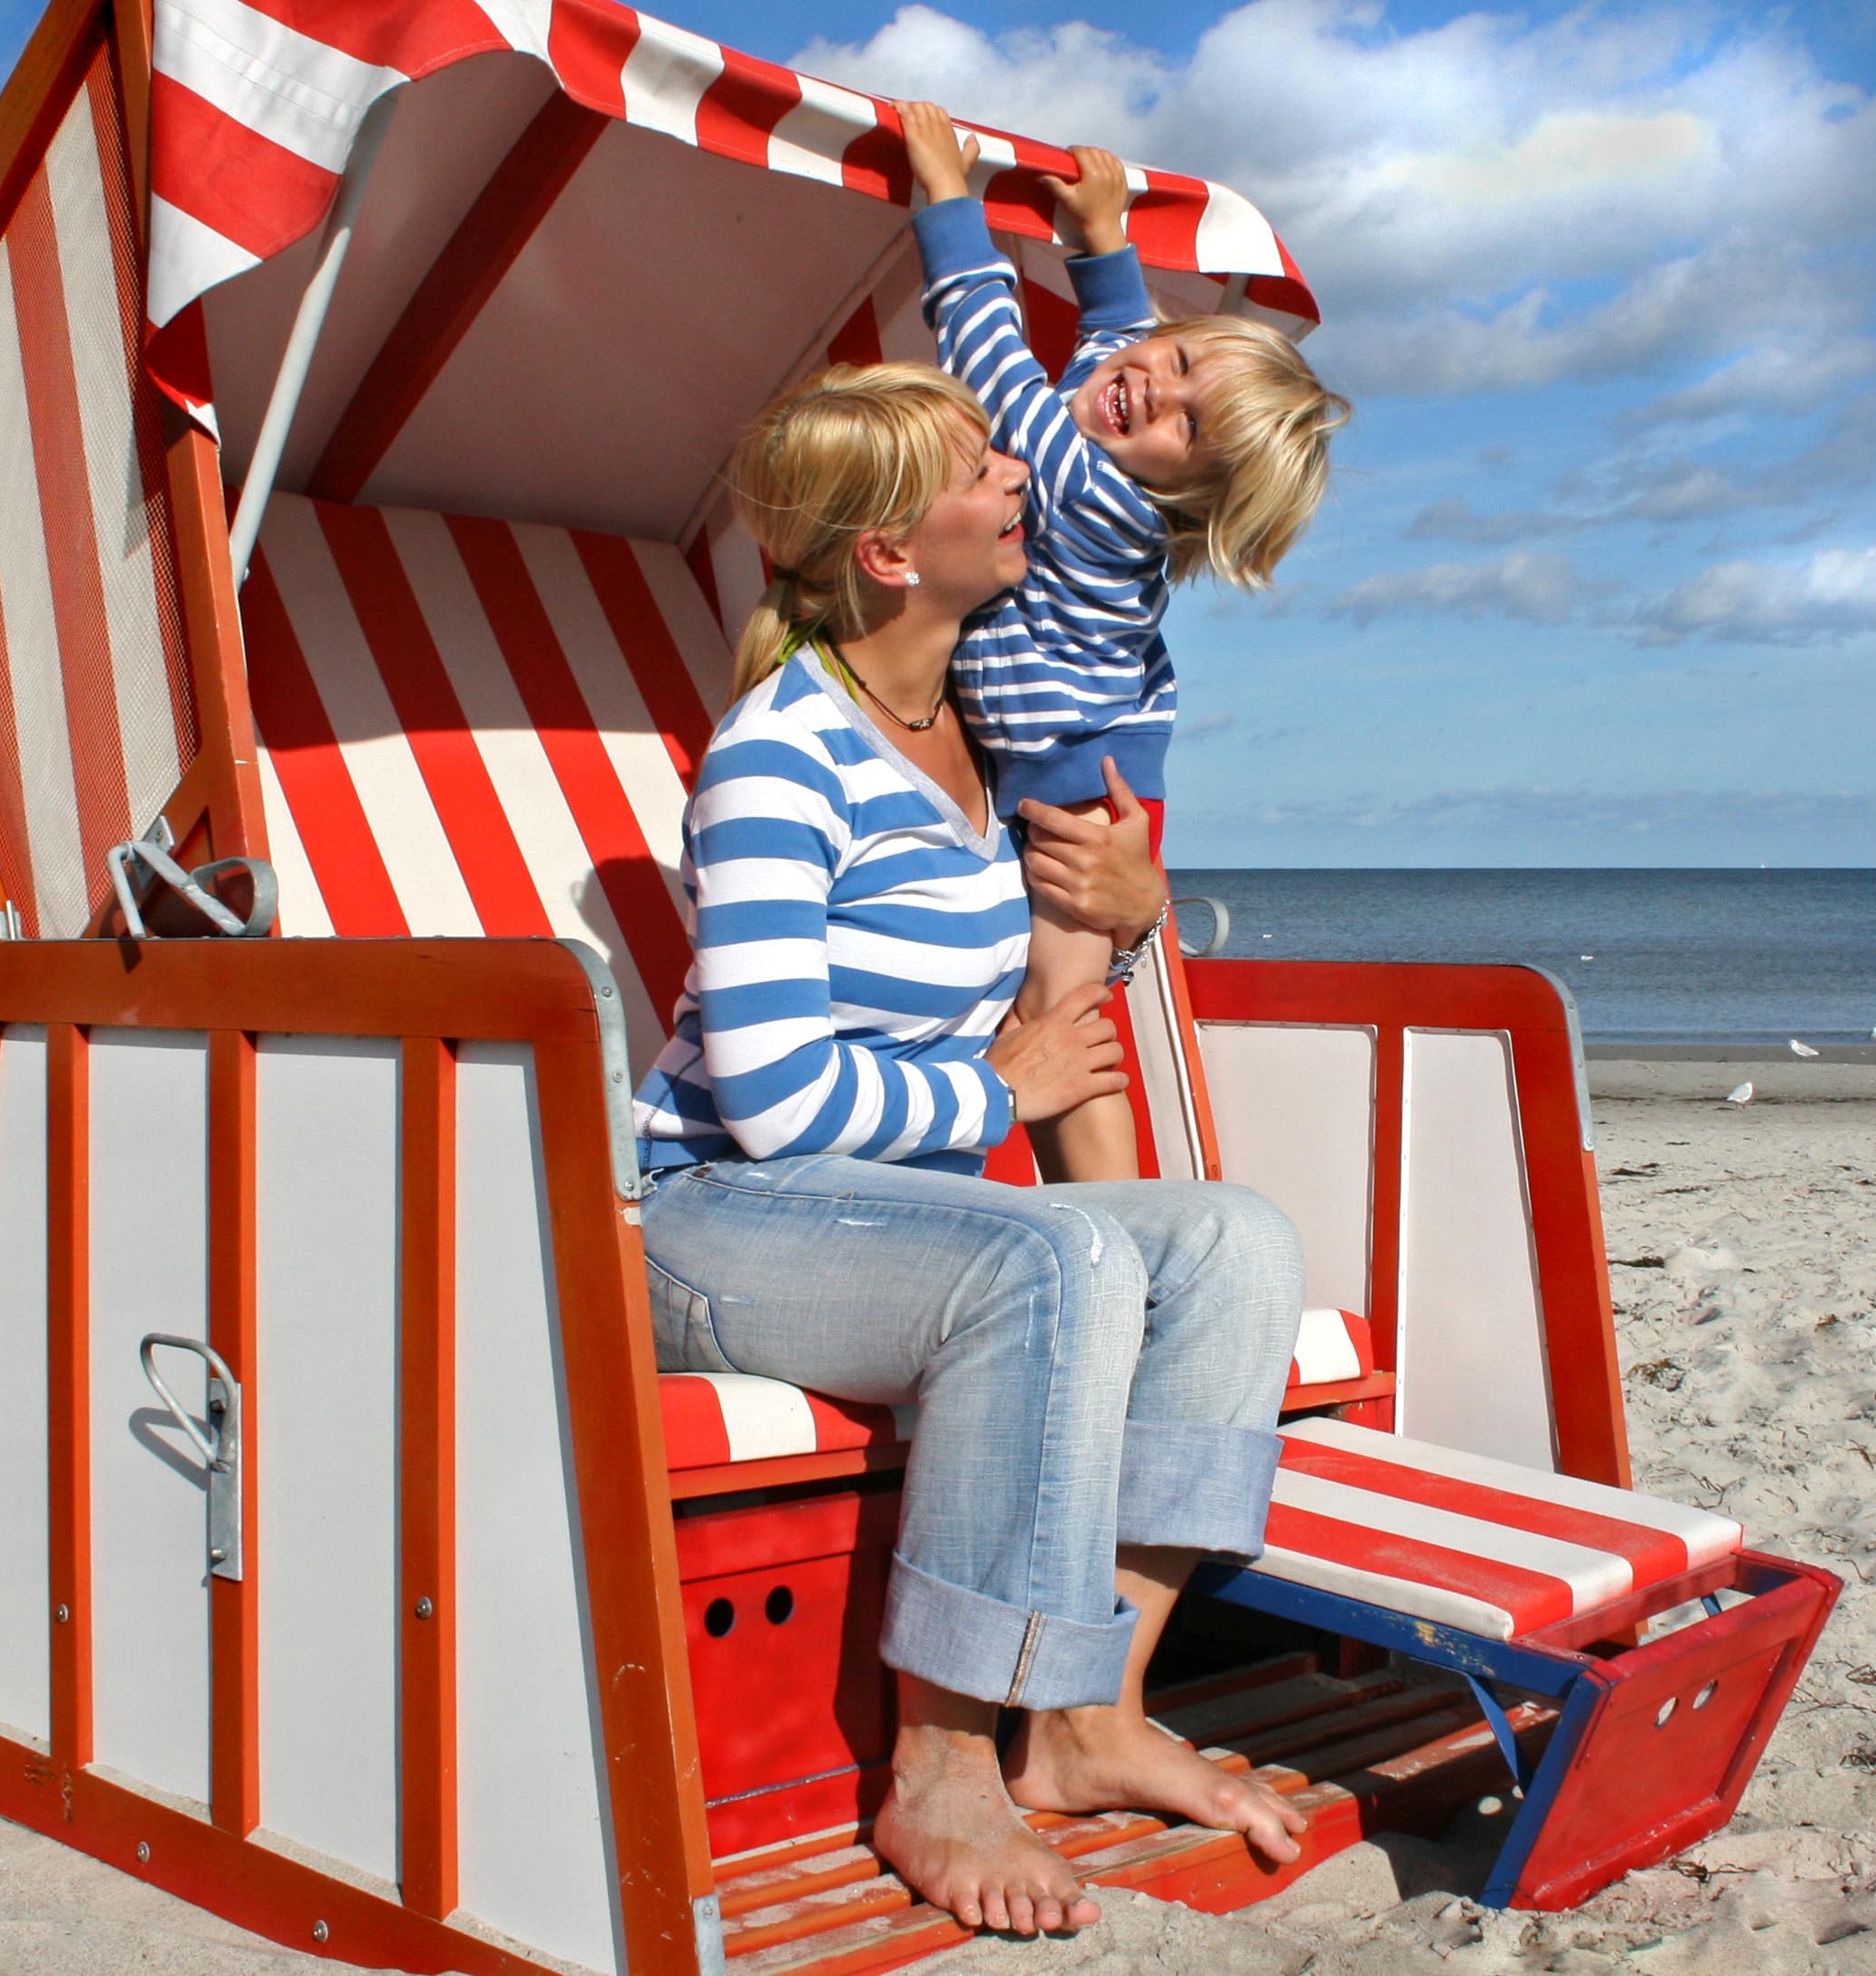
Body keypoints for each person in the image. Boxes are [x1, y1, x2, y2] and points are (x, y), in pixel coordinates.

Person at [629, 362, 1312, 1934]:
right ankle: (940, 1762)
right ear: (886, 550)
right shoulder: (774, 756)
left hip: (900, 1229)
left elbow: (1061, 983)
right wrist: (993, 1097)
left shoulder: (982, 742)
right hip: (720, 1217)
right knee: (1056, 1251)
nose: (1025, 475)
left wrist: (1135, 922)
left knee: (1232, 1240)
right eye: (982, 467)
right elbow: (780, 1098)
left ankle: (1085, 1717)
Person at [896, 101, 1350, 1184]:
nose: (1155, 389)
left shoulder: (1092, 488)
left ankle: (1124, 1228)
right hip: (1088, 766)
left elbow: (991, 354)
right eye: (1181, 358)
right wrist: (1102, 242)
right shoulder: (1112, 418)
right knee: (1055, 1009)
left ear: (1186, 490)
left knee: (1064, 1016)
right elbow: (1118, 346)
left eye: (1185, 426)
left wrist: (948, 203)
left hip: (1071, 782)